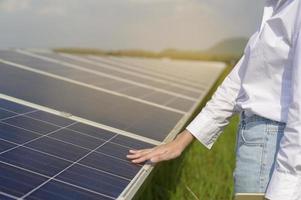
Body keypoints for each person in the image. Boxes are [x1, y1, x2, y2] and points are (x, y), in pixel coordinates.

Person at [127, 0, 301, 199]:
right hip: (262, 143)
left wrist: (283, 190)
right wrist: (181, 140)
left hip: (274, 148)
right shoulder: (277, 8)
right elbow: (238, 83)